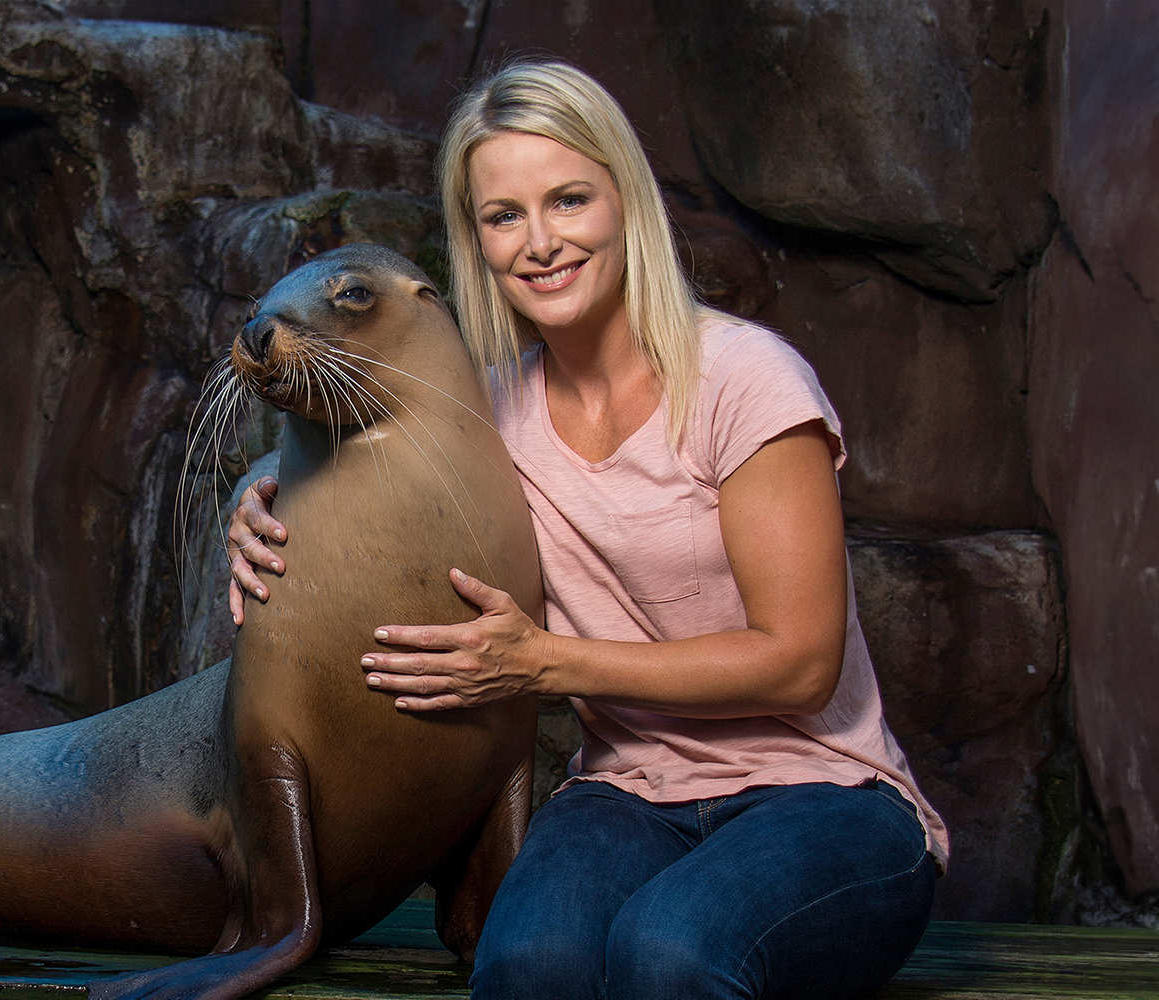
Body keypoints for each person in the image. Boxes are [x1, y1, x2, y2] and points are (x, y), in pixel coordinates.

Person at [226, 59, 947, 1000]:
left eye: (568, 201)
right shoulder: (488, 418)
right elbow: (365, 434)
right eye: (503, 215)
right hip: (629, 795)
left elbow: (801, 664)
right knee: (528, 968)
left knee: (670, 952)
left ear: (624, 203)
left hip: (828, 795)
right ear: (474, 239)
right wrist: (262, 483)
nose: (540, 243)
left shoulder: (745, 379)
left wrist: (544, 664)